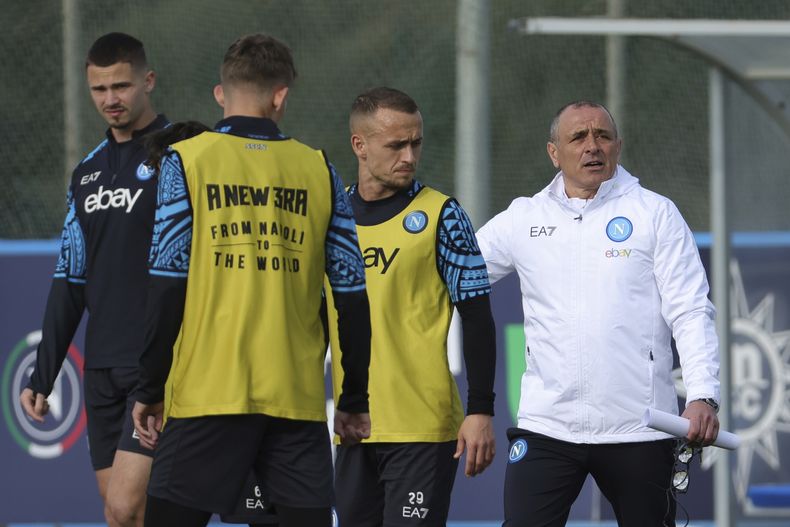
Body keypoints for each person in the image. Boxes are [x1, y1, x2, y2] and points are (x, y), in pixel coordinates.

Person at [131, 33, 372, 527]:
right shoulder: (319, 169)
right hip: (296, 400)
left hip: (208, 394)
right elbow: (351, 295)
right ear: (280, 96)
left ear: (222, 92)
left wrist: (150, 387)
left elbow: (167, 285)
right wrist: (353, 398)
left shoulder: (186, 161)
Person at [475, 100, 721, 527]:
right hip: (547, 426)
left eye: (602, 136)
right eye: (578, 137)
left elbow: (691, 309)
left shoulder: (655, 214)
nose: (592, 146)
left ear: (617, 147)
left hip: (639, 427)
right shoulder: (523, 217)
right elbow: (457, 272)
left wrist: (702, 394)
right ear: (554, 153)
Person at [324, 87, 497, 527]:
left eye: (416, 143)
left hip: (422, 428)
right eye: (396, 145)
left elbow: (478, 316)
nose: (409, 156)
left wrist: (480, 409)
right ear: (359, 145)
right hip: (354, 428)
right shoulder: (331, 217)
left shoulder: (444, 216)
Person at [18, 32, 169, 527]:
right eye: (99, 90)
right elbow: (70, 276)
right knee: (123, 515)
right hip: (102, 369)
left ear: (148, 81)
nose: (110, 99)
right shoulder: (85, 173)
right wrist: (44, 373)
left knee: (126, 507)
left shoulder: (181, 155)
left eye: (121, 86)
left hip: (158, 364)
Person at [144, 121, 280, 527]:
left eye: (169, 174)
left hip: (233, 404)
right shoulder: (172, 242)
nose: (165, 188)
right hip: (190, 405)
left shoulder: (238, 249)